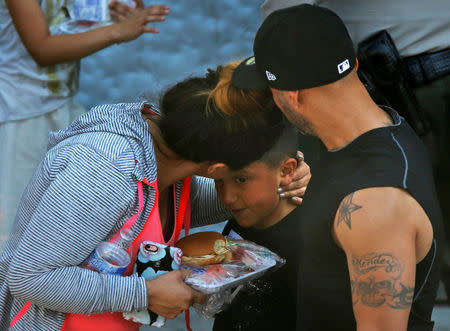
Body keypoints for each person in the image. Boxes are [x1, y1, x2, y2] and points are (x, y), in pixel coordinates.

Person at [0, 61, 310, 330]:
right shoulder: (103, 170)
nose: (233, 190)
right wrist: (146, 293)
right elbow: (31, 278)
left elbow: (198, 202)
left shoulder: (168, 160)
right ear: (216, 168)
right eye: (238, 176)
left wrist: (281, 183)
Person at [231, 4, 444, 330]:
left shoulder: (374, 204)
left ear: (291, 96)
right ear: (354, 64)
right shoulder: (383, 128)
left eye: (270, 92)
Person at [0, 0, 170, 251]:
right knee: (14, 227)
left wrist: (114, 13)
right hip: (21, 114)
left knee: (66, 212)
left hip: (61, 105)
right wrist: (117, 31)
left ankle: (61, 280)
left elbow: (76, 14)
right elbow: (42, 48)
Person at [200, 67, 301, 330]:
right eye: (219, 181)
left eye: (241, 179)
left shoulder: (313, 246)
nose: (228, 197)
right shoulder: (244, 223)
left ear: (287, 171)